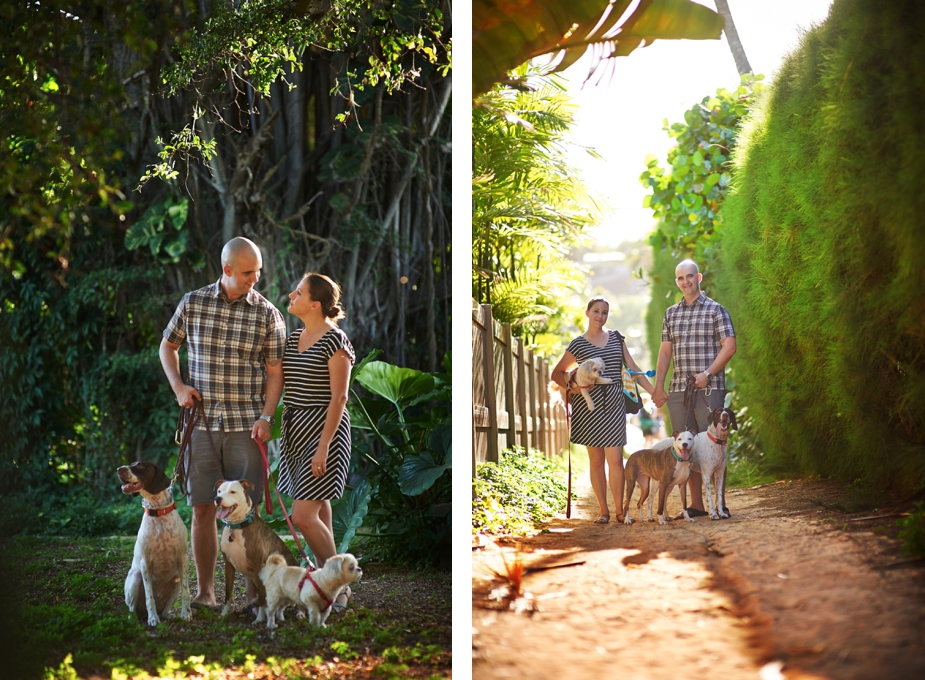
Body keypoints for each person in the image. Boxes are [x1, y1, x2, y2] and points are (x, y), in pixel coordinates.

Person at [159, 236, 286, 612]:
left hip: (247, 426)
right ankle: (207, 593)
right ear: (227, 269)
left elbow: (275, 372)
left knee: (247, 513)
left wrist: (267, 417)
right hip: (200, 425)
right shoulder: (194, 302)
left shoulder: (268, 314)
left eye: (258, 272)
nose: (255, 280)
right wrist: (179, 386)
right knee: (202, 508)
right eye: (248, 273)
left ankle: (253, 596)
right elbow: (168, 346)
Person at [277, 273, 355, 612]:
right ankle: (334, 589)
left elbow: (339, 398)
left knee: (303, 516)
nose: (291, 295)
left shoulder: (335, 341)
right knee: (319, 509)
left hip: (324, 431)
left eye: (299, 292)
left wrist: (323, 446)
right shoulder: (294, 337)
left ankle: (338, 585)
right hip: (294, 429)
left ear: (315, 304)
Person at [551, 297, 655, 524]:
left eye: (605, 312)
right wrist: (573, 387)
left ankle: (620, 510)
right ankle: (603, 511)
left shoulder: (617, 338)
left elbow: (634, 368)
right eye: (596, 311)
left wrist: (654, 391)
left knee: (616, 460)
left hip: (615, 404)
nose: (600, 316)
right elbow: (557, 373)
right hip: (588, 407)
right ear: (587, 313)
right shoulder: (578, 344)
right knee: (596, 461)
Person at [651, 259, 737, 517]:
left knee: (715, 446)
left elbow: (729, 346)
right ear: (676, 281)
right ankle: (697, 506)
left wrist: (707, 374)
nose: (686, 281)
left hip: (710, 390)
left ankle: (719, 506)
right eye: (680, 278)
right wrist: (659, 387)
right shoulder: (670, 314)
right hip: (679, 391)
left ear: (698, 277)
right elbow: (665, 352)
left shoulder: (715, 310)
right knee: (686, 448)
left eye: (690, 276)